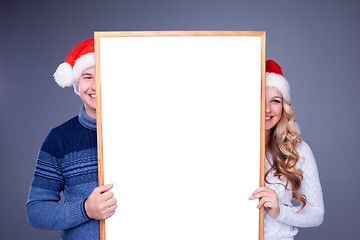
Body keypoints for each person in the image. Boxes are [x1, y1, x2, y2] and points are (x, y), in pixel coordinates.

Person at [26, 38, 117, 240]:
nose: (96, 85)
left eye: (103, 73)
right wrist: (85, 210)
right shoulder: (59, 139)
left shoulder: (149, 133)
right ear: (76, 82)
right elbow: (36, 211)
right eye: (87, 76)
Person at [249, 59, 324, 239]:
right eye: (261, 99)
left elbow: (316, 214)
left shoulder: (299, 151)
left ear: (284, 107)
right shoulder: (226, 149)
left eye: (275, 100)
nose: (267, 109)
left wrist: (278, 211)